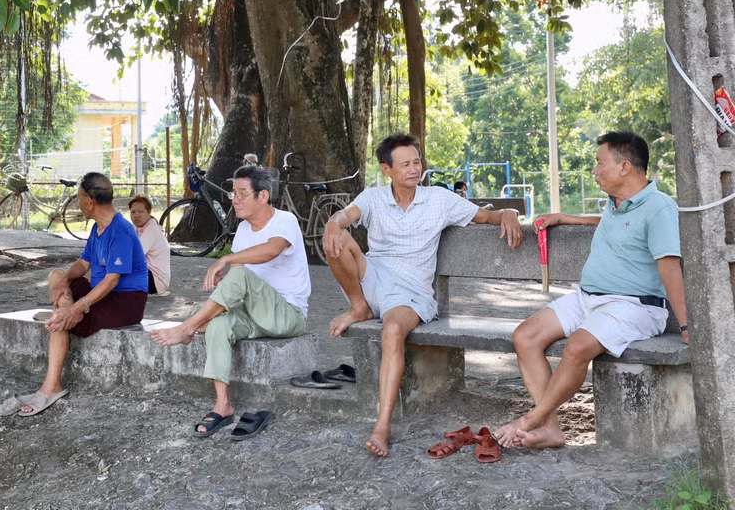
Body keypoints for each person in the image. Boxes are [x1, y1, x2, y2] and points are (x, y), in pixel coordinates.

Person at [323, 133, 523, 457]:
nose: (414, 169)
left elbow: (486, 216)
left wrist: (509, 212)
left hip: (410, 292)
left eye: (417, 162)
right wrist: (333, 224)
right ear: (386, 169)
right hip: (372, 277)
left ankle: (382, 426)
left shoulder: (438, 200)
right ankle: (358, 307)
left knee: (392, 331)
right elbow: (343, 217)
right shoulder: (373, 198)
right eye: (405, 164)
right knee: (335, 240)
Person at [497, 131, 688, 450]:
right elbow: (611, 223)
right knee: (525, 336)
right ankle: (551, 430)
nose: (595, 170)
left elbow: (669, 268)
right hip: (589, 298)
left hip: (635, 306)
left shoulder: (659, 208)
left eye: (600, 163)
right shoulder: (616, 203)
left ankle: (532, 420)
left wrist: (685, 326)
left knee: (577, 346)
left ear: (625, 167)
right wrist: (564, 217)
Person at [150, 165, 309, 438]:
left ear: (263, 196)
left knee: (240, 275)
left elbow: (271, 251)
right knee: (219, 326)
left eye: (241, 194)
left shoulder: (285, 221)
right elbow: (236, 283)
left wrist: (226, 258)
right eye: (233, 193)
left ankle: (187, 327)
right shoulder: (244, 229)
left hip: (288, 314)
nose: (233, 199)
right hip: (254, 314)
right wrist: (213, 314)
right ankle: (223, 405)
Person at [0, 173, 148, 417]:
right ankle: (62, 314)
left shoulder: (121, 231)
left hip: (125, 301)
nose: (78, 203)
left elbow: (112, 280)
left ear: (90, 201)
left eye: (79, 198)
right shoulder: (99, 227)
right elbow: (83, 263)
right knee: (55, 276)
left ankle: (52, 386)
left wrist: (76, 308)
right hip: (103, 294)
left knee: (62, 317)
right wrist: (64, 281)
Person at [127, 195, 171, 295]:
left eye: (141, 212)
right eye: (133, 212)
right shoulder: (135, 228)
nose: (136, 215)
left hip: (156, 280)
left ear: (149, 212)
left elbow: (135, 254)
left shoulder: (152, 229)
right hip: (145, 274)